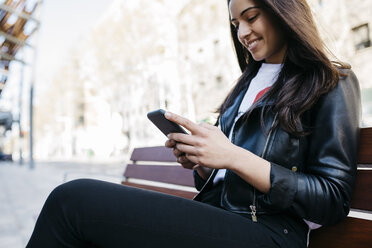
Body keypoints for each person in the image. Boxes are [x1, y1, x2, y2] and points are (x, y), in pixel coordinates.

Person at [26, 0, 360, 247]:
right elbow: (226, 176)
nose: (243, 32)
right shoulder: (245, 85)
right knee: (78, 217)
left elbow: (332, 199)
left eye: (251, 17)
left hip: (270, 233)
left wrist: (232, 156)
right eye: (235, 24)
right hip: (221, 219)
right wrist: (203, 164)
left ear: (282, 9)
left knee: (72, 201)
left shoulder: (330, 81)